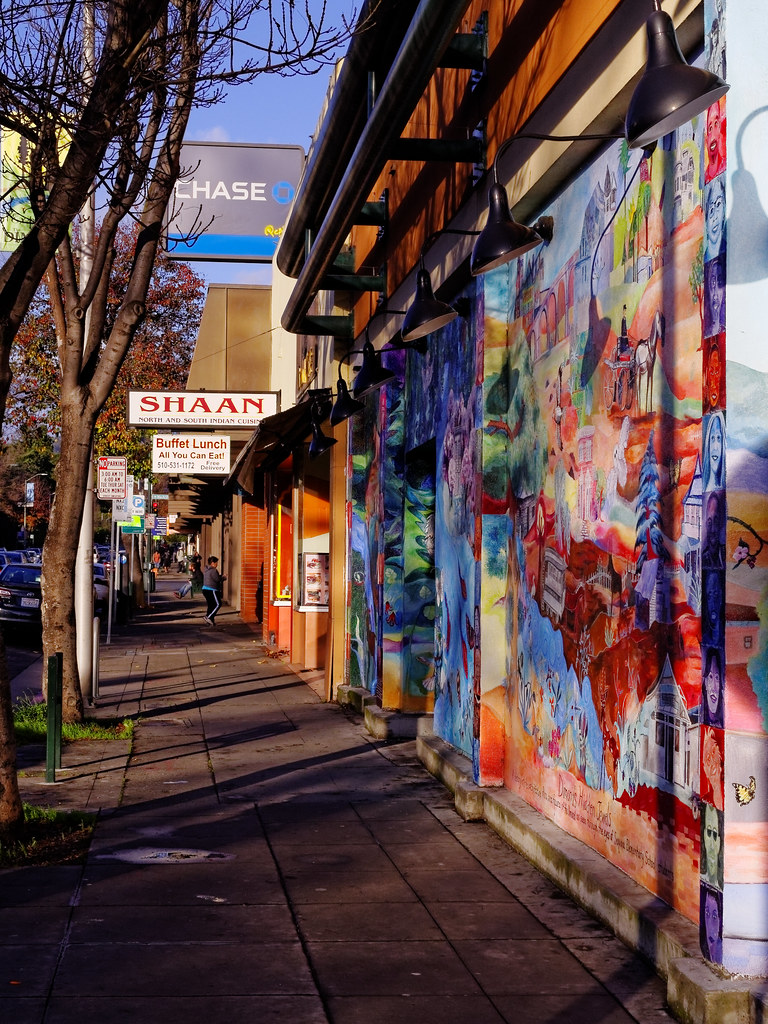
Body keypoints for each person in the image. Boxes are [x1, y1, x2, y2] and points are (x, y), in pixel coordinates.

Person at [202, 555, 226, 625]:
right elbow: (217, 579)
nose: (217, 564)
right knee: (218, 604)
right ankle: (208, 617)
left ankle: (210, 621)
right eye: (216, 563)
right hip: (212, 589)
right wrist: (223, 577)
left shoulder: (206, 570)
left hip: (205, 589)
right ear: (212, 563)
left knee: (211, 605)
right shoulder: (213, 570)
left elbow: (214, 578)